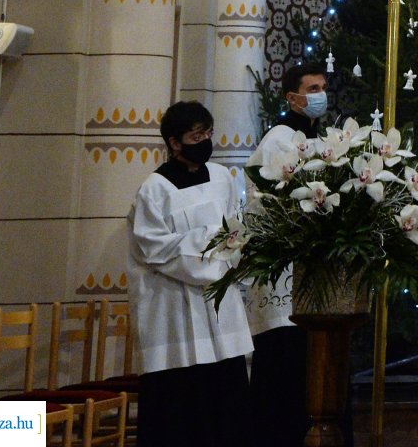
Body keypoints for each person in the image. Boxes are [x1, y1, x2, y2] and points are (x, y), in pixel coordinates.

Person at [129, 101, 252, 447]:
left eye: (208, 132)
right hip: (174, 310)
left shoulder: (222, 178)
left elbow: (234, 228)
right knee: (180, 411)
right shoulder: (154, 189)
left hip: (219, 308)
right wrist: (207, 247)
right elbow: (152, 247)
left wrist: (227, 247)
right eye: (196, 135)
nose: (205, 140)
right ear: (175, 142)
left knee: (224, 401)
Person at [245, 68, 329, 447]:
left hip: (314, 276)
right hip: (284, 278)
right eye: (312, 89)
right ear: (292, 98)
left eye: (323, 88)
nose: (320, 95)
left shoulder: (320, 139)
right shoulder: (280, 138)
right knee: (285, 377)